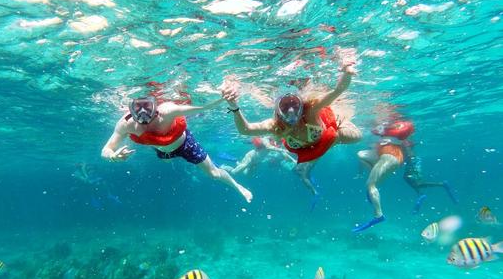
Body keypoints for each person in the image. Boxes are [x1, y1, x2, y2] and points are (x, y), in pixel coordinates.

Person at [221, 54, 362, 198]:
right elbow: (245, 130)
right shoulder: (275, 125)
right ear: (278, 110)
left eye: (294, 104)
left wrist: (346, 71)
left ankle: (339, 123)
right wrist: (234, 107)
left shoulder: (311, 110)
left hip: (329, 136)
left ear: (301, 105)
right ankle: (308, 167)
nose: (290, 110)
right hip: (306, 149)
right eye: (285, 106)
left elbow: (338, 91)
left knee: (357, 137)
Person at [101, 94, 253, 203]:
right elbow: (105, 150)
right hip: (163, 151)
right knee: (166, 160)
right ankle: (173, 159)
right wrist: (113, 156)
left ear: (156, 110)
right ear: (131, 114)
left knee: (213, 173)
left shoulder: (168, 111)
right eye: (139, 116)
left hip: (185, 144)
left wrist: (224, 97)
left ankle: (237, 186)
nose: (145, 121)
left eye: (149, 114)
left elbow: (204, 107)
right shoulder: (125, 124)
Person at [355, 121, 415, 232]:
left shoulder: (395, 133)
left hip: (389, 158)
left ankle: (379, 215)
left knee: (370, 185)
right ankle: (372, 186)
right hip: (386, 157)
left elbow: (404, 132)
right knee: (360, 154)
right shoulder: (388, 134)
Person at [402, 140, 458, 213]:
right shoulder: (404, 144)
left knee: (415, 181)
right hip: (412, 162)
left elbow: (409, 150)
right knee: (409, 179)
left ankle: (441, 185)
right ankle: (421, 194)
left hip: (413, 162)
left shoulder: (404, 143)